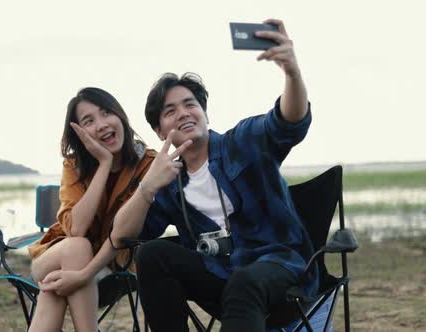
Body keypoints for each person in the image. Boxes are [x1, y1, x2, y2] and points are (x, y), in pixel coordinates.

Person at [109, 19, 319, 331]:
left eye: (190, 104)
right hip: (220, 274)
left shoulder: (243, 142)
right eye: (170, 111)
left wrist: (292, 72)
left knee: (245, 281)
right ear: (159, 130)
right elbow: (121, 237)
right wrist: (146, 188)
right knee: (152, 254)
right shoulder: (170, 181)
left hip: (278, 268)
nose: (183, 113)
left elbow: (288, 123)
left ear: (205, 113)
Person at [26, 87, 155, 332]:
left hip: (112, 263)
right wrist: (104, 163)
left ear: (120, 115)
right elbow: (76, 229)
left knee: (53, 291)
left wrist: (84, 272)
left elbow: (125, 232)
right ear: (80, 133)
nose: (102, 124)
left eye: (107, 113)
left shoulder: (147, 164)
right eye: (89, 120)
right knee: (78, 246)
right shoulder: (74, 165)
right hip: (55, 255)